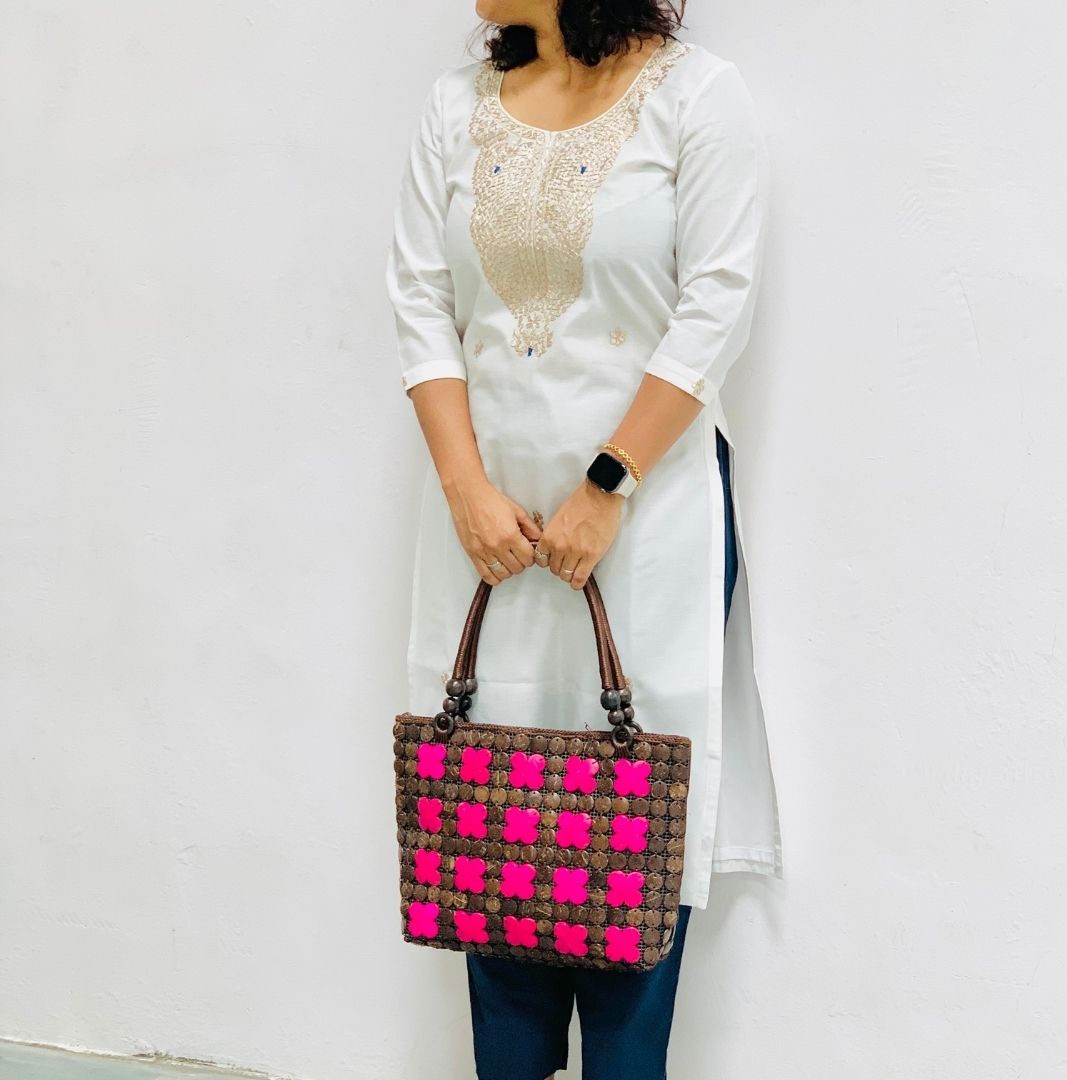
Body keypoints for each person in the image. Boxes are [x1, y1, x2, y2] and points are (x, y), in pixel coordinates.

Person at [384, 3, 782, 1077]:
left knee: (629, 843)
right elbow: (420, 302)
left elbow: (717, 303)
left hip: (650, 528)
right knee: (492, 840)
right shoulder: (454, 108)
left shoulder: (698, 98)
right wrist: (467, 488)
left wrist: (608, 484)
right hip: (488, 540)